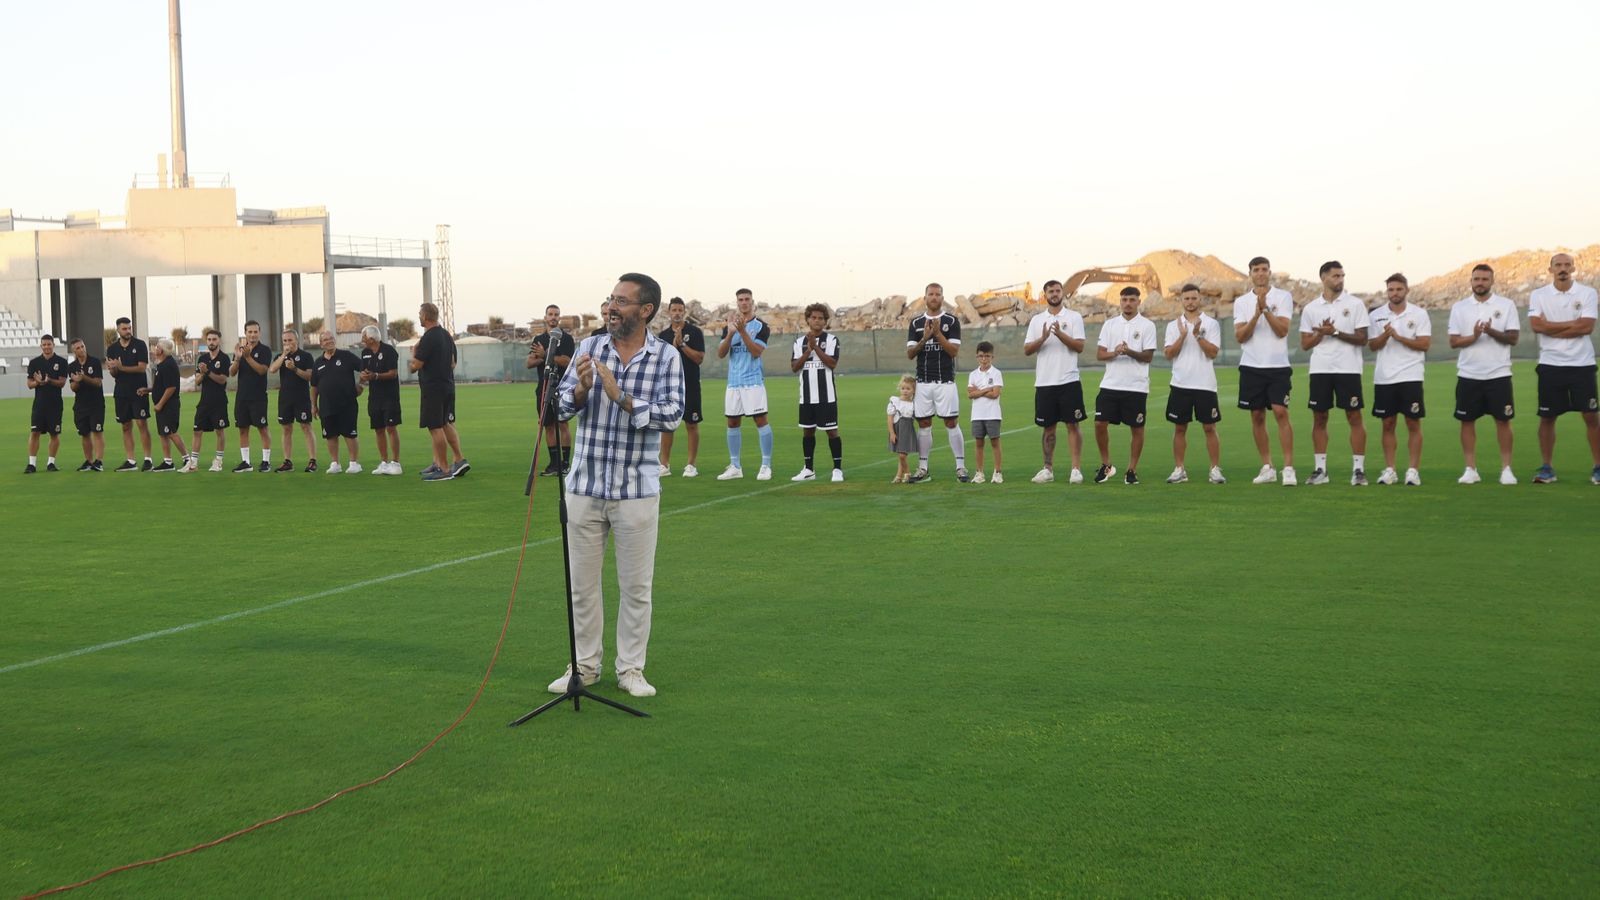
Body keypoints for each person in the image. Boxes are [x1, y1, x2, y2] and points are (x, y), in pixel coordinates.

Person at [549, 272, 683, 699]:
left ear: (646, 310)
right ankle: (584, 667)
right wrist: (582, 390)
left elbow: (672, 415)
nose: (611, 307)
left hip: (636, 490)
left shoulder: (665, 357)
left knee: (636, 589)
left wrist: (620, 395)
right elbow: (559, 407)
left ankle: (631, 670)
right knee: (581, 587)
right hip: (584, 487)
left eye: (622, 301)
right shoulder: (588, 348)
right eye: (610, 299)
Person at [1526, 252, 1599, 484]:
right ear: (1551, 270)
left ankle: (1598, 467)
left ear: (1573, 268)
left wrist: (1551, 327)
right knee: (1547, 417)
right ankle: (1547, 468)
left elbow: (1586, 327)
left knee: (1591, 415)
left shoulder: (1587, 293)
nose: (1563, 268)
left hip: (1582, 364)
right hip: (1551, 364)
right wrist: (1571, 324)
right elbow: (1536, 326)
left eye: (1567, 265)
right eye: (1558, 265)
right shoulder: (1539, 295)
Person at [1299, 261, 1371, 485]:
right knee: (1319, 417)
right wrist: (1321, 334)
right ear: (1323, 278)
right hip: (1320, 369)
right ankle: (1320, 470)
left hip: (1348, 369)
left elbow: (1363, 339)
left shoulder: (1355, 304)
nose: (1340, 280)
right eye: (1335, 276)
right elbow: (1305, 344)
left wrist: (1336, 332)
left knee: (1354, 416)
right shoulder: (1311, 309)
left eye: (1342, 276)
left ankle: (1358, 470)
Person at [1448, 264, 1520, 485]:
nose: (1480, 283)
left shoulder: (1506, 305)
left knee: (1503, 421)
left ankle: (1506, 469)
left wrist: (1490, 331)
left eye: (1484, 279)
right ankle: (1470, 469)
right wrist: (1475, 336)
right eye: (1476, 279)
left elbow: (1513, 338)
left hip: (1499, 374)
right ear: (1471, 281)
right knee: (1467, 421)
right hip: (1469, 374)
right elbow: (1454, 342)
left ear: (1492, 281)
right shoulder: (1460, 308)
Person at [1234, 257, 1298, 485]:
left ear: (1270, 272)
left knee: (1281, 412)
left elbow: (1282, 331)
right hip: (1252, 366)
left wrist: (1266, 310)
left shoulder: (1283, 297)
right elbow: (1241, 336)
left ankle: (1288, 468)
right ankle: (1267, 467)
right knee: (1257, 416)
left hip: (1277, 366)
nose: (1260, 273)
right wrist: (1255, 315)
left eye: (1264, 269)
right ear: (1250, 273)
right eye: (1256, 270)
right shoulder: (1241, 302)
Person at [1367, 273, 1431, 485]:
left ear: (1406, 290)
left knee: (1413, 422)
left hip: (1410, 375)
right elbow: (1372, 346)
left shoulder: (1419, 314)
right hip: (1384, 377)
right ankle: (1390, 470)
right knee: (1388, 423)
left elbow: (1424, 344)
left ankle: (1413, 471)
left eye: (1398, 289)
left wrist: (1399, 337)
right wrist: (1385, 336)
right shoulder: (1376, 315)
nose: (1394, 293)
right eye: (1391, 290)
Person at [1023, 278, 1086, 484]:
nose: (1055, 294)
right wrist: (1042, 338)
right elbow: (1027, 350)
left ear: (1062, 293)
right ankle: (1047, 469)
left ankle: (1075, 469)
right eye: (1051, 291)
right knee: (1048, 428)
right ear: (1045, 295)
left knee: (1072, 425)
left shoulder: (1074, 317)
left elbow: (1079, 346)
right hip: (1045, 382)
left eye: (1058, 290)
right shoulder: (1036, 320)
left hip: (1069, 380)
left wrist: (1059, 334)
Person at [1162, 284, 1225, 484]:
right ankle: (1179, 469)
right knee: (1180, 429)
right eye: (1186, 298)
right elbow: (1168, 354)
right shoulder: (1173, 326)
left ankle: (1215, 469)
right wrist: (1182, 336)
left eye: (1194, 298)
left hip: (1205, 384)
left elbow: (1213, 353)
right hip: (1180, 384)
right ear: (1181, 300)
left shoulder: (1211, 324)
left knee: (1210, 428)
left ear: (1200, 299)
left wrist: (1197, 335)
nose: (1190, 302)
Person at [1094, 287, 1156, 484]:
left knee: (1137, 428)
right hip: (1110, 384)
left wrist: (1129, 352)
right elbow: (1100, 354)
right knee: (1099, 423)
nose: (1127, 303)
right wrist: (1115, 352)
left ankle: (1132, 469)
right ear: (1120, 302)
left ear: (1138, 302)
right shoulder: (1110, 324)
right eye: (1124, 300)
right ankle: (1106, 465)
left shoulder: (1147, 326)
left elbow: (1148, 357)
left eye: (1131, 300)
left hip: (1136, 386)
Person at [906, 282, 966, 482]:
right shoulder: (916, 323)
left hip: (945, 381)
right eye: (930, 294)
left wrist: (938, 334)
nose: (934, 297)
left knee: (951, 422)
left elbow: (953, 351)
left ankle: (960, 467)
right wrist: (924, 339)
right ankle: (923, 468)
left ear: (942, 298)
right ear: (925, 298)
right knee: (924, 424)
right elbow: (910, 354)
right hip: (923, 382)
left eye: (937, 294)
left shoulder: (951, 321)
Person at [715, 288, 773, 481]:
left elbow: (756, 352)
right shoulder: (729, 326)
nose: (744, 302)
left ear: (752, 302)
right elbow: (721, 353)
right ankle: (735, 466)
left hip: (753, 381)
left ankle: (766, 465)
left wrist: (742, 331)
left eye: (747, 299)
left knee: (760, 420)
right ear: (737, 303)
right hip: (733, 383)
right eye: (740, 300)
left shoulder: (762, 326)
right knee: (732, 422)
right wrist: (731, 333)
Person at [410, 301, 469, 481]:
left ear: (425, 316)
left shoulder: (428, 337)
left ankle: (443, 469)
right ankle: (458, 459)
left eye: (420, 315)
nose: (419, 317)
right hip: (447, 385)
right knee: (445, 423)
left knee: (435, 427)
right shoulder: (446, 335)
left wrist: (414, 353)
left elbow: (415, 365)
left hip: (433, 388)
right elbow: (453, 363)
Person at [790, 302, 844, 482]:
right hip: (806, 397)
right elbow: (794, 367)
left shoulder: (832, 340)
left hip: (826, 396)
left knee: (832, 431)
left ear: (825, 321)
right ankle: (808, 469)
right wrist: (808, 350)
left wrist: (816, 347)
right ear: (807, 319)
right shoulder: (799, 342)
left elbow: (832, 363)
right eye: (813, 317)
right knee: (808, 432)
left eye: (821, 318)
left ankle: (837, 469)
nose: (817, 321)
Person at [658, 297, 705, 477]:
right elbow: (661, 362)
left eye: (680, 310)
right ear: (669, 312)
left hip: (690, 385)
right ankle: (664, 464)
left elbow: (699, 358)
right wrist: (673, 346)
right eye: (674, 310)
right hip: (670, 387)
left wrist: (682, 345)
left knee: (691, 424)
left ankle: (691, 465)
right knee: (667, 426)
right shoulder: (663, 336)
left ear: (684, 312)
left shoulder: (695, 332)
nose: (677, 313)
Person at [526, 305, 575, 477]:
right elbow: (529, 362)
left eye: (556, 314)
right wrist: (545, 357)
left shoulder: (566, 339)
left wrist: (545, 354)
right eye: (550, 314)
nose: (553, 317)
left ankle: (566, 463)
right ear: (545, 317)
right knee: (548, 425)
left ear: (559, 318)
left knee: (563, 424)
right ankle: (554, 464)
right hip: (543, 387)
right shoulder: (539, 339)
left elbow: (567, 361)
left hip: (562, 387)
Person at [311, 331, 364, 474]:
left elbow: (363, 368)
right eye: (325, 340)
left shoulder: (346, 356)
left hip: (347, 404)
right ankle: (335, 463)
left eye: (331, 338)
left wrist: (361, 384)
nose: (329, 341)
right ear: (321, 344)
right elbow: (314, 386)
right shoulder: (318, 363)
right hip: (327, 405)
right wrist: (314, 405)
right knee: (330, 435)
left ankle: (354, 463)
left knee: (350, 434)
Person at [105, 316, 153, 472]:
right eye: (124, 329)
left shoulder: (139, 345)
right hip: (121, 392)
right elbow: (114, 374)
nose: (127, 331)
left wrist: (121, 367)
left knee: (141, 424)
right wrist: (113, 368)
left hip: (139, 391)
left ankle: (148, 459)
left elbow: (142, 367)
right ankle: (131, 461)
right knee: (125, 426)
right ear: (118, 330)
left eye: (129, 328)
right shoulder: (112, 349)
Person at [228, 320, 274, 473]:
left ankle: (266, 461)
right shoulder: (241, 350)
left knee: (262, 428)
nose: (253, 335)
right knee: (242, 429)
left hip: (258, 397)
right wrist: (238, 358)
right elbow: (232, 372)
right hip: (242, 396)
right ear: (245, 333)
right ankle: (246, 462)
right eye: (250, 332)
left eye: (255, 332)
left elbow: (262, 370)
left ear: (259, 333)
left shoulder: (265, 350)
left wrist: (247, 357)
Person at [270, 328, 317, 473]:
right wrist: (284, 355)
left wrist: (294, 369)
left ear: (297, 340)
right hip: (285, 398)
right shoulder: (280, 356)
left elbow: (310, 376)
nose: (287, 343)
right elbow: (272, 369)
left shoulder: (306, 356)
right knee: (286, 428)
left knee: (306, 426)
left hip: (301, 397)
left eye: (290, 340)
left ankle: (312, 461)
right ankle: (287, 461)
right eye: (285, 341)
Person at [360, 324, 405, 475]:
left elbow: (393, 373)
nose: (362, 339)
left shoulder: (389, 351)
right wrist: (363, 378)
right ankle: (384, 462)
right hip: (374, 397)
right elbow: (364, 372)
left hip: (390, 397)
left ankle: (396, 463)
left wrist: (376, 376)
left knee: (391, 428)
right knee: (378, 429)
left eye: (364, 337)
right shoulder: (365, 353)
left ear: (371, 339)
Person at [138, 338, 188, 472]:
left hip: (169, 405)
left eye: (157, 347)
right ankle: (168, 462)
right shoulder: (161, 364)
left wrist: (160, 404)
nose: (155, 349)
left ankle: (187, 459)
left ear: (163, 350)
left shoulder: (168, 365)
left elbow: (171, 388)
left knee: (171, 432)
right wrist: (148, 390)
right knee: (163, 433)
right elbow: (161, 386)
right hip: (163, 406)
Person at [186, 328, 231, 473]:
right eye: (209, 340)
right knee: (197, 431)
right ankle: (193, 463)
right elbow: (197, 381)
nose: (212, 342)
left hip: (219, 401)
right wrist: (202, 373)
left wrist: (208, 372)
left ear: (219, 341)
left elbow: (222, 379)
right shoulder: (202, 359)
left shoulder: (224, 358)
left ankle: (218, 461)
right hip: (204, 401)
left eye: (214, 339)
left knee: (219, 431)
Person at [24, 334, 68, 473]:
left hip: (55, 404)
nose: (47, 347)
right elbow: (29, 384)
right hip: (39, 404)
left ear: (53, 345)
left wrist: (49, 381)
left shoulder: (61, 362)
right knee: (35, 432)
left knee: (54, 434)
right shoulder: (34, 363)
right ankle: (32, 464)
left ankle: (51, 463)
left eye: (49, 344)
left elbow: (62, 383)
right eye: (44, 345)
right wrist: (37, 382)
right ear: (41, 346)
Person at [966, 341, 1004, 483]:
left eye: (987, 356)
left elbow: (995, 394)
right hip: (977, 415)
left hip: (992, 414)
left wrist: (978, 391)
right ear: (977, 357)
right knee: (978, 443)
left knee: (995, 442)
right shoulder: (973, 374)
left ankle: (997, 472)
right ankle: (979, 473)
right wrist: (987, 389)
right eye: (981, 356)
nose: (984, 359)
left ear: (992, 357)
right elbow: (970, 394)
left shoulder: (996, 373)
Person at [66, 337, 105, 471]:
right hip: (80, 405)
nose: (81, 349)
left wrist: (84, 378)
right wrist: (77, 381)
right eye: (78, 348)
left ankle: (99, 461)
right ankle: (89, 461)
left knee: (97, 432)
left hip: (96, 404)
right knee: (84, 434)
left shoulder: (95, 362)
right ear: (74, 351)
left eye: (82, 346)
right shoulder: (72, 367)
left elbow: (98, 383)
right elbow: (73, 388)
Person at [886, 374, 917, 483]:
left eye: (908, 389)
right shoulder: (895, 402)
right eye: (903, 388)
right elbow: (890, 419)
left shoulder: (914, 404)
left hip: (908, 431)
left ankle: (906, 474)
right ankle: (900, 475)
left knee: (902, 455)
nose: (905, 391)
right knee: (901, 455)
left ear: (913, 390)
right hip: (897, 430)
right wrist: (892, 433)